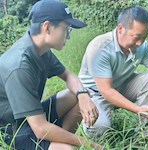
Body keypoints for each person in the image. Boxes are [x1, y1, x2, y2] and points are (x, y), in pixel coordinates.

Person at [0, 0, 102, 149]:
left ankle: (58, 142)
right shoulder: (19, 66)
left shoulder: (42, 50)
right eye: (66, 29)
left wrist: (83, 94)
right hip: (13, 130)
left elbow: (68, 76)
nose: (68, 36)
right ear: (47, 27)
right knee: (67, 149)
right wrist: (87, 143)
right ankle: (61, 144)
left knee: (77, 95)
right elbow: (40, 129)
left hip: (32, 117)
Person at [78, 6, 148, 137]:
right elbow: (106, 91)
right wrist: (138, 110)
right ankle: (90, 125)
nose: (140, 43)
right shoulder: (100, 47)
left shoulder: (142, 46)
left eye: (144, 37)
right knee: (100, 127)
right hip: (94, 94)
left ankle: (144, 134)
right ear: (120, 29)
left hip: (121, 85)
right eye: (136, 37)